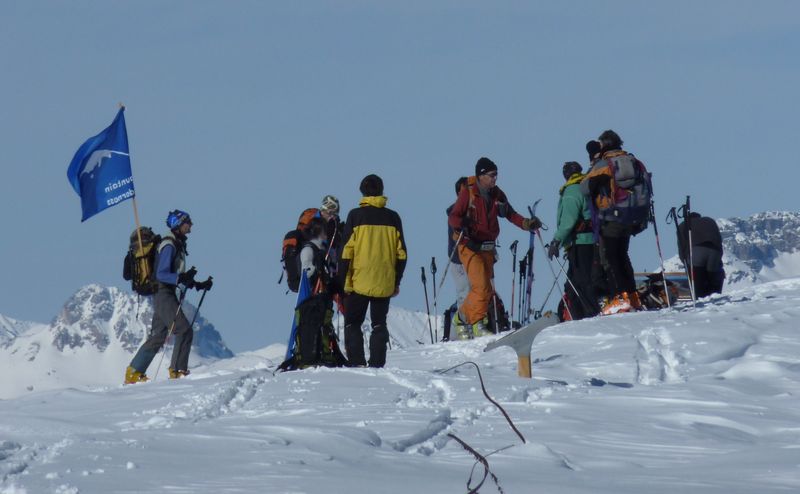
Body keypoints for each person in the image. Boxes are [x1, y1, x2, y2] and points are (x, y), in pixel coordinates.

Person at [447, 157, 541, 338]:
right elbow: (453, 217)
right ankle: (477, 324)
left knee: (487, 290)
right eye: (491, 175)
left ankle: (461, 319)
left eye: (496, 175)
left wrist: (526, 224)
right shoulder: (468, 192)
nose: (495, 179)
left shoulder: (497, 194)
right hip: (469, 246)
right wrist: (462, 224)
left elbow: (510, 214)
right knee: (481, 286)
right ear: (481, 175)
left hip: (487, 247)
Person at [125, 210, 213, 383]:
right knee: (184, 330)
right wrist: (181, 278)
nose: (191, 225)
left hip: (163, 293)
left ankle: (134, 372)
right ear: (178, 224)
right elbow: (162, 274)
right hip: (163, 293)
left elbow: (175, 275)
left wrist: (197, 284)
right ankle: (178, 370)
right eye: (188, 222)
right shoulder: (169, 245)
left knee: (158, 336)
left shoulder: (175, 244)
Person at [338, 174, 407, 367]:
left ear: (362, 191)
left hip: (359, 280)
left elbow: (346, 252)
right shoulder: (393, 217)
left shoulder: (355, 216)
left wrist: (342, 280)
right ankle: (377, 363)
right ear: (382, 190)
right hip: (384, 280)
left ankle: (357, 361)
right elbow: (402, 254)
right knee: (379, 323)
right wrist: (396, 281)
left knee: (353, 323)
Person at [581, 130, 650, 314]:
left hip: (611, 217)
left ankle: (620, 298)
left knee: (611, 257)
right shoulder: (634, 161)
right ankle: (632, 297)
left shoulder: (604, 164)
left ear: (603, 145)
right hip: (632, 216)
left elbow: (584, 188)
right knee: (622, 254)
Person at [548, 161, 600, 320]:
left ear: (566, 174)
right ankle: (577, 315)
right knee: (573, 284)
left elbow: (568, 222)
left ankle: (589, 314)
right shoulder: (586, 187)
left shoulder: (571, 191)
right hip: (592, 240)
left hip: (580, 243)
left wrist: (556, 241)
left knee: (581, 283)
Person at [677, 212, 725, 298]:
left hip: (696, 252)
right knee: (713, 276)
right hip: (714, 251)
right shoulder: (710, 221)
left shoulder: (683, 225)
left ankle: (700, 298)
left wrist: (686, 265)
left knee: (698, 281)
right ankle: (715, 296)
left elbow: (682, 249)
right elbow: (719, 240)